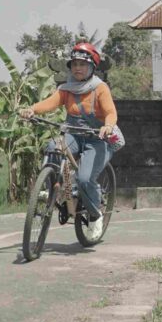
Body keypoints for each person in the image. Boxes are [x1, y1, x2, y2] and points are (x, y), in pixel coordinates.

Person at [19, 42, 118, 241]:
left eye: (83, 64)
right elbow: (50, 102)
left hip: (97, 139)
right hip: (73, 134)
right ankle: (50, 187)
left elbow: (110, 112)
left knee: (84, 179)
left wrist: (107, 126)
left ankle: (95, 215)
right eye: (74, 64)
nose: (78, 68)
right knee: (52, 146)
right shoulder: (66, 89)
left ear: (92, 67)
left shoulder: (100, 88)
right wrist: (32, 110)